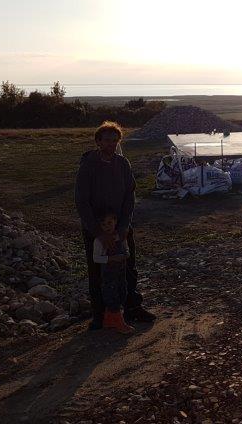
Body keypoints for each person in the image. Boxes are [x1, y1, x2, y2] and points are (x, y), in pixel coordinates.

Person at [75, 121, 156, 329]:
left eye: (114, 140)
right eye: (106, 140)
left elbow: (130, 195)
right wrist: (98, 232)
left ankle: (132, 307)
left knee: (128, 267)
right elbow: (82, 201)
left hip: (121, 227)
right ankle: (100, 315)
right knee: (97, 270)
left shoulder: (122, 164)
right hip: (96, 229)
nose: (110, 144)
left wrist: (122, 228)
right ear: (98, 141)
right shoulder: (88, 165)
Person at [93, 213, 134, 334]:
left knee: (122, 292)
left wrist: (126, 255)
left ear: (115, 221)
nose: (107, 226)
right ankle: (119, 322)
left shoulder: (120, 236)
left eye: (109, 223)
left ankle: (109, 319)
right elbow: (96, 258)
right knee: (111, 295)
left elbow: (126, 249)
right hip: (109, 274)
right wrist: (111, 259)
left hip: (121, 272)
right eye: (103, 224)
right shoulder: (99, 241)